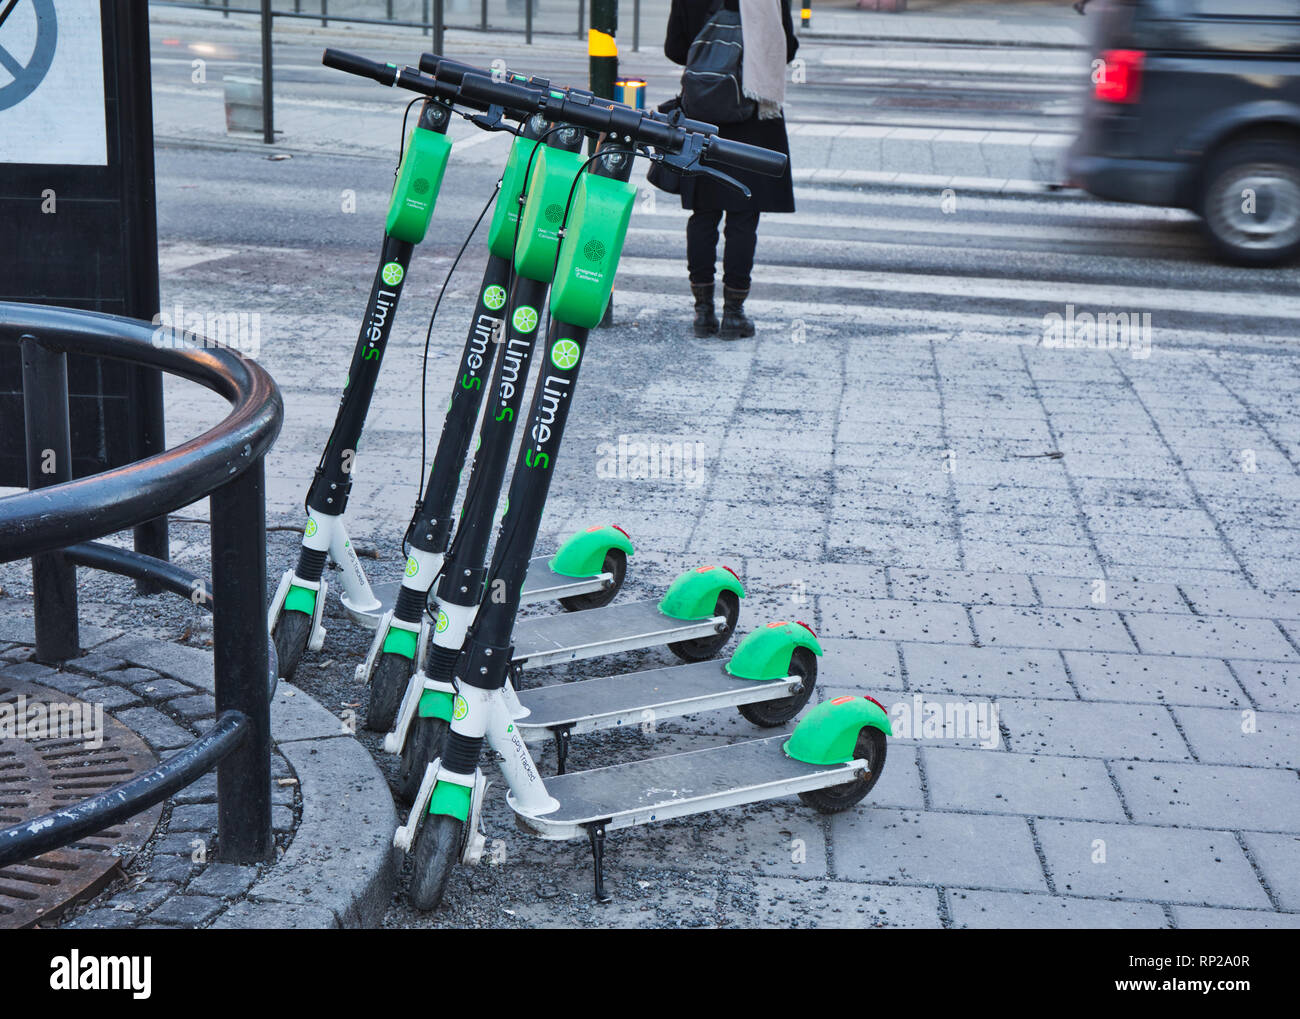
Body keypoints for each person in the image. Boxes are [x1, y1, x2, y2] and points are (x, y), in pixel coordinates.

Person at [665, 0, 799, 340]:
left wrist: (711, 52)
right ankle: (734, 313)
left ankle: (703, 312)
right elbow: (785, 50)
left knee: (703, 213)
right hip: (753, 116)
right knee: (743, 215)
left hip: (703, 111)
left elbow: (676, 49)